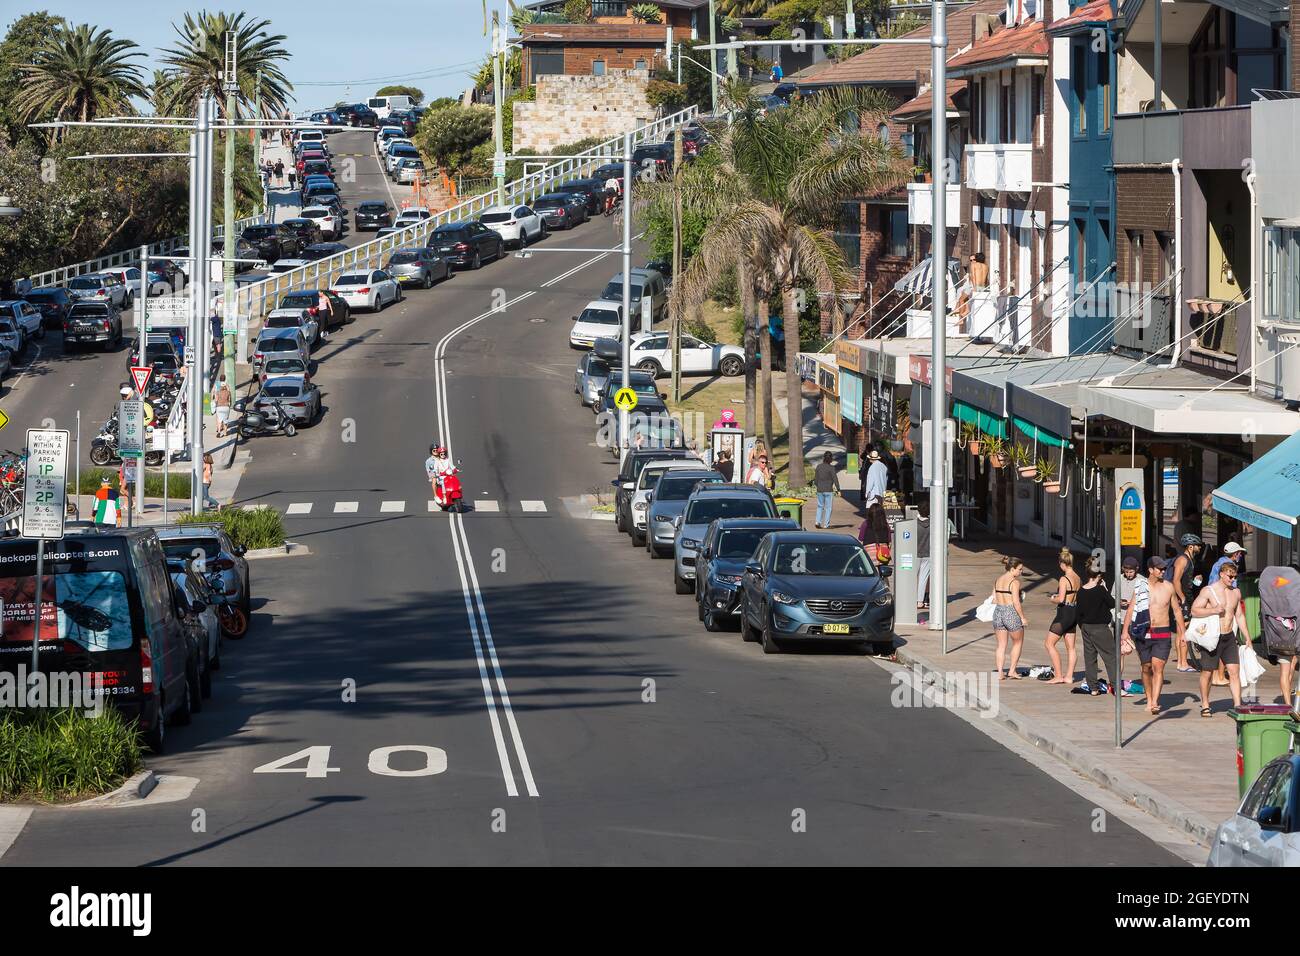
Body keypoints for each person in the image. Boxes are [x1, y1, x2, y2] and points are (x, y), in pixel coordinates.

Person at [1122, 556, 1184, 716]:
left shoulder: (1169, 587)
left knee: (1158, 667)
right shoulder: (1141, 587)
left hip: (1162, 633)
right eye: (1160, 569)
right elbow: (1131, 609)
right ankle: (1149, 698)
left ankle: (1155, 702)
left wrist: (1183, 633)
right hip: (1144, 632)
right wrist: (1124, 633)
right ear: (1151, 570)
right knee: (1146, 667)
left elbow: (1176, 610)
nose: (1163, 571)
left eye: (1164, 569)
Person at [1190, 560, 1246, 715]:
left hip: (1229, 637)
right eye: (1230, 576)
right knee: (1207, 672)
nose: (1232, 579)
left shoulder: (1236, 592)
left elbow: (1239, 616)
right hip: (1213, 638)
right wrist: (1214, 610)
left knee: (1234, 671)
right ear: (1221, 574)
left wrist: (1246, 637)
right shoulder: (1209, 591)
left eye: (1234, 577)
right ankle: (1205, 704)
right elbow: (1194, 610)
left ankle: (1237, 705)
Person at [1077, 560, 1120, 695]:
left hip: (1086, 626)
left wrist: (1082, 626)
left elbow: (1078, 612)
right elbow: (1112, 603)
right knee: (1110, 656)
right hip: (1100, 627)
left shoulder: (1081, 591)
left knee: (1090, 657)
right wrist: (1106, 589)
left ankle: (1093, 687)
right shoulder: (1100, 590)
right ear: (1098, 576)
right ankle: (1115, 685)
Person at [1044, 548, 1081, 685]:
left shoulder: (1064, 579)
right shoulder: (1077, 577)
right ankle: (1069, 676)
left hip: (1064, 613)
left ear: (1062, 564)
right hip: (1074, 612)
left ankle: (1059, 675)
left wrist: (1052, 598)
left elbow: (1060, 599)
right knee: (1071, 647)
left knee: (1049, 644)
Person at [1170, 533, 1202, 673]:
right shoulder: (1182, 560)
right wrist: (1182, 597)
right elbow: (1176, 580)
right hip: (1183, 600)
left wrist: (1195, 580)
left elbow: (1184, 580)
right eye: (1197, 545)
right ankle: (1183, 663)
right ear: (1190, 546)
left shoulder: (1189, 559)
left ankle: (1181, 662)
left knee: (1180, 631)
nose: (1199, 548)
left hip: (1186, 598)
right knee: (1185, 631)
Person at [993, 557, 1028, 680]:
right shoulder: (1014, 582)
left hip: (998, 611)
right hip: (1010, 612)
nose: (1021, 572)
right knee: (1018, 642)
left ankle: (1000, 672)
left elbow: (994, 599)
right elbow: (1016, 603)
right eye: (1019, 569)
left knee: (1001, 645)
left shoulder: (998, 580)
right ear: (1012, 569)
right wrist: (1022, 617)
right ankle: (1012, 671)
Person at [813, 451, 839, 529]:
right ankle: (826, 524)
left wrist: (818, 485)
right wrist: (838, 489)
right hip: (828, 490)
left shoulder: (819, 467)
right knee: (828, 508)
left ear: (824, 458)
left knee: (820, 506)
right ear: (831, 459)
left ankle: (817, 522)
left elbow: (816, 480)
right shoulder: (831, 468)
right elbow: (835, 479)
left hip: (820, 489)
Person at [915, 499, 931, 610]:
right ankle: (922, 600)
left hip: (915, 553)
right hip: (928, 554)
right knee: (924, 578)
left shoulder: (913, 524)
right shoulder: (933, 524)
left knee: (912, 577)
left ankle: (915, 600)